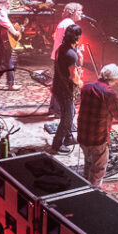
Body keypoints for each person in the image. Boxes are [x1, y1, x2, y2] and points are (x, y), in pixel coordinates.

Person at [77, 63, 118, 188]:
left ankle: (84, 183)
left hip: (82, 134)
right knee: (99, 168)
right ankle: (93, 191)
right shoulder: (110, 93)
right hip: (98, 137)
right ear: (113, 79)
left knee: (88, 161)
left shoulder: (86, 87)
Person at [49, 24, 83, 154]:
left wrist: (79, 56)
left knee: (71, 113)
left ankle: (68, 138)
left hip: (58, 86)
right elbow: (74, 77)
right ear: (78, 38)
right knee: (67, 118)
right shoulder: (70, 54)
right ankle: (57, 144)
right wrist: (80, 83)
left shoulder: (61, 49)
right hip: (65, 90)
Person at [0, 0, 23, 90]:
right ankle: (11, 83)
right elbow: (7, 25)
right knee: (9, 61)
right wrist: (15, 32)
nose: (9, 5)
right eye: (8, 3)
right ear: (2, 4)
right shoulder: (0, 13)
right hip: (2, 41)